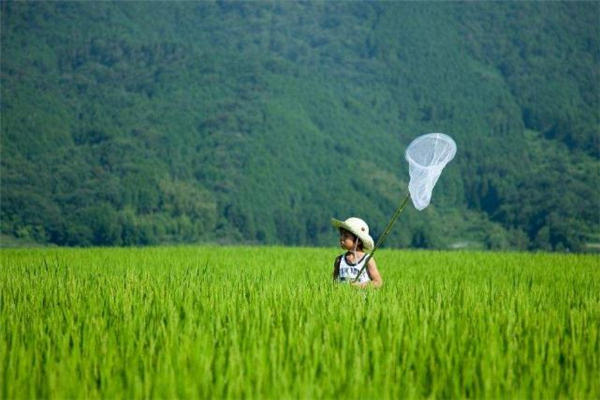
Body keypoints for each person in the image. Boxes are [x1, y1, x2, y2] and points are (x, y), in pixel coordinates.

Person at [331, 217, 383, 288]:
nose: (341, 238)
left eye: (346, 236)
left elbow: (378, 282)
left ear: (358, 241)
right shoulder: (339, 260)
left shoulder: (367, 259)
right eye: (341, 235)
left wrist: (360, 285)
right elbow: (334, 283)